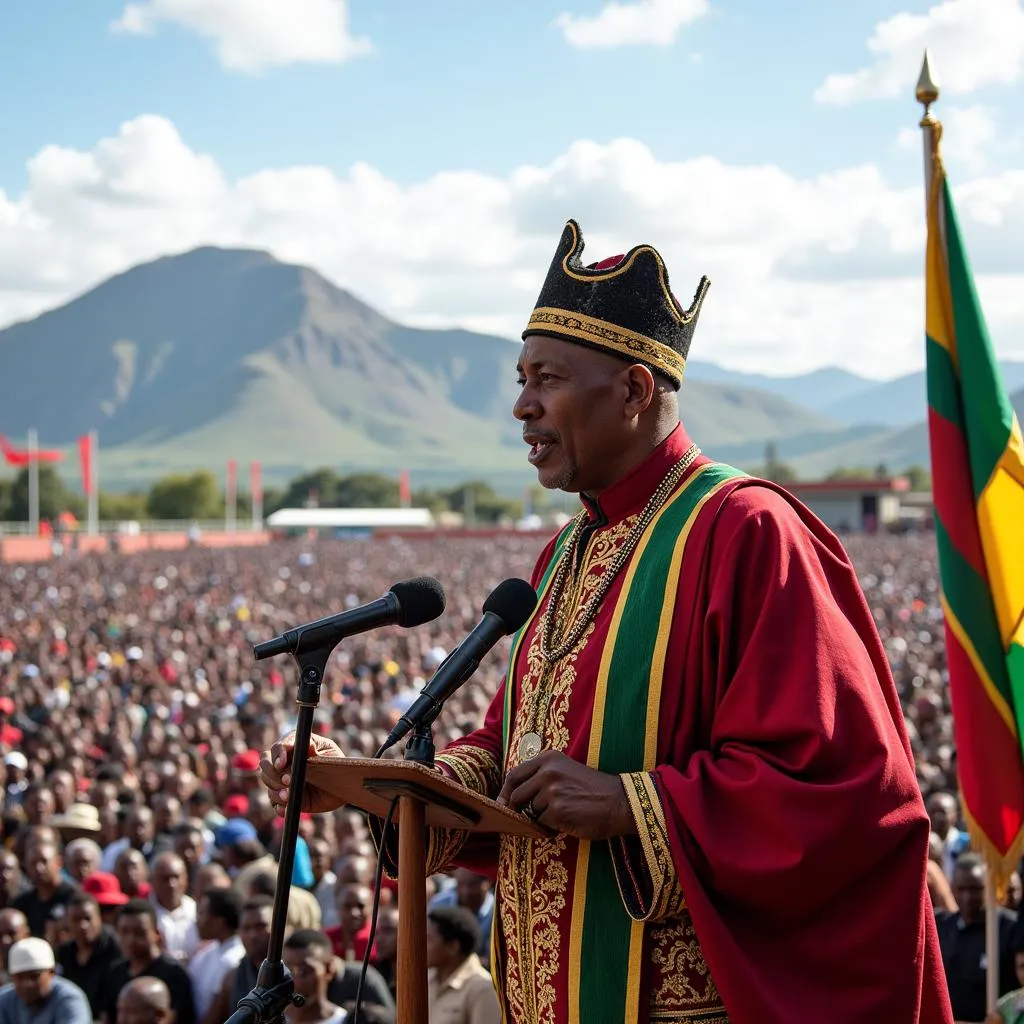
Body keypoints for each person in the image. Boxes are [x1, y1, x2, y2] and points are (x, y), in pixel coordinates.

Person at [261, 218, 953, 1023]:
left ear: (633, 390)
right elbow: (507, 749)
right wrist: (374, 787)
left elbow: (854, 792)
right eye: (521, 379)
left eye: (547, 378)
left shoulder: (745, 530)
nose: (522, 406)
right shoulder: (565, 551)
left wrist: (636, 803)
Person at [936, 854, 1018, 1022]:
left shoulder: (1009, 928)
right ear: (952, 888)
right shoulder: (943, 927)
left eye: (974, 889)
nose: (967, 898)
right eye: (961, 889)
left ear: (988, 887)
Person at [426, 906, 500, 1024]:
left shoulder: (482, 989)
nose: (421, 946)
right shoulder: (426, 980)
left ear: (453, 946)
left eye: (428, 939)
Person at [0, 936, 92, 1024]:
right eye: (20, 977)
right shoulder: (4, 1000)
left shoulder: (69, 999)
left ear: (52, 973)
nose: (27, 984)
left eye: (34, 976)